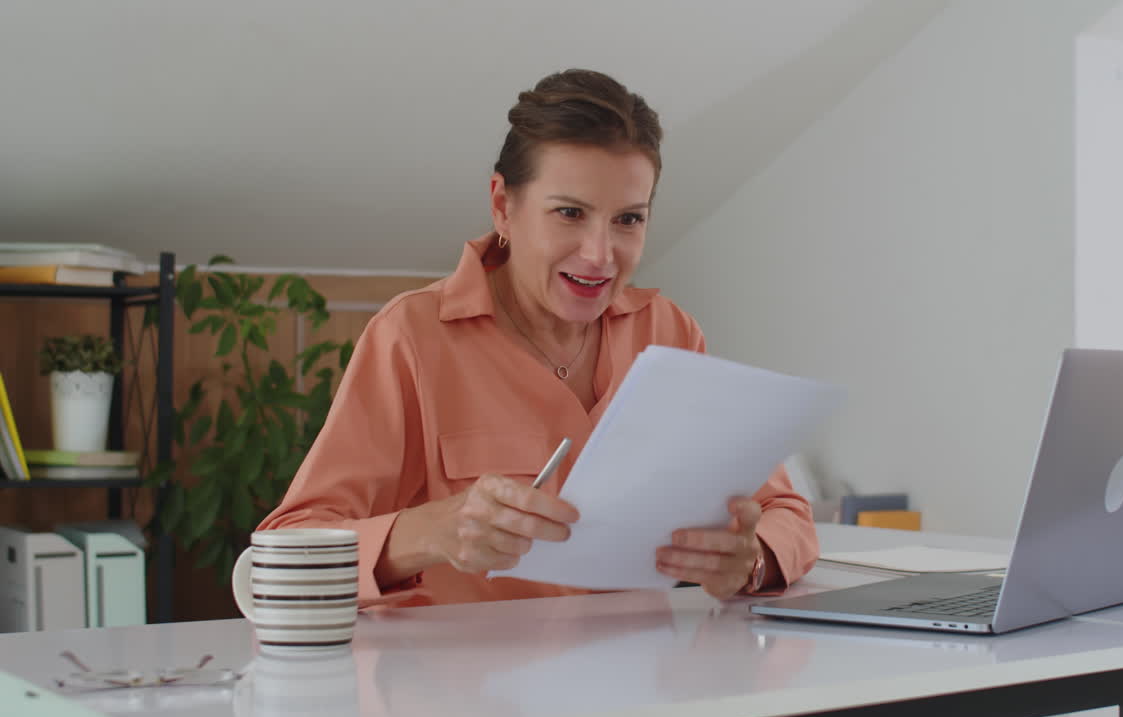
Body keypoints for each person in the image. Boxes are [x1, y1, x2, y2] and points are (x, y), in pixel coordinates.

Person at [258, 69, 818, 609]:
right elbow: (286, 552)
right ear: (503, 206)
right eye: (570, 213)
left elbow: (786, 512)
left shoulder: (670, 333)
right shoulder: (409, 337)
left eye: (628, 220)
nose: (600, 255)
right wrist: (428, 532)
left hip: (638, 666)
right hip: (460, 672)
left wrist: (751, 560)